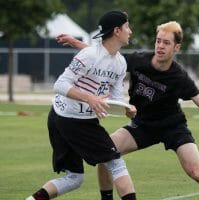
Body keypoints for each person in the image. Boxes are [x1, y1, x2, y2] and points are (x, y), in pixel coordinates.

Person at [56, 21, 199, 200]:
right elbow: (104, 56)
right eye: (158, 41)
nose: (160, 46)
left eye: (166, 43)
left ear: (176, 47)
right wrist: (77, 43)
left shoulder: (180, 77)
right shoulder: (139, 60)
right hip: (142, 126)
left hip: (173, 128)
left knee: (197, 172)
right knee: (105, 153)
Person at [26, 10, 138, 200]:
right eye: (127, 26)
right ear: (117, 31)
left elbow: (115, 99)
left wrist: (127, 109)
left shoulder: (120, 63)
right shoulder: (88, 55)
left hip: (63, 116)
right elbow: (60, 85)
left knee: (74, 178)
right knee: (116, 164)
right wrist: (90, 98)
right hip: (71, 120)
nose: (131, 31)